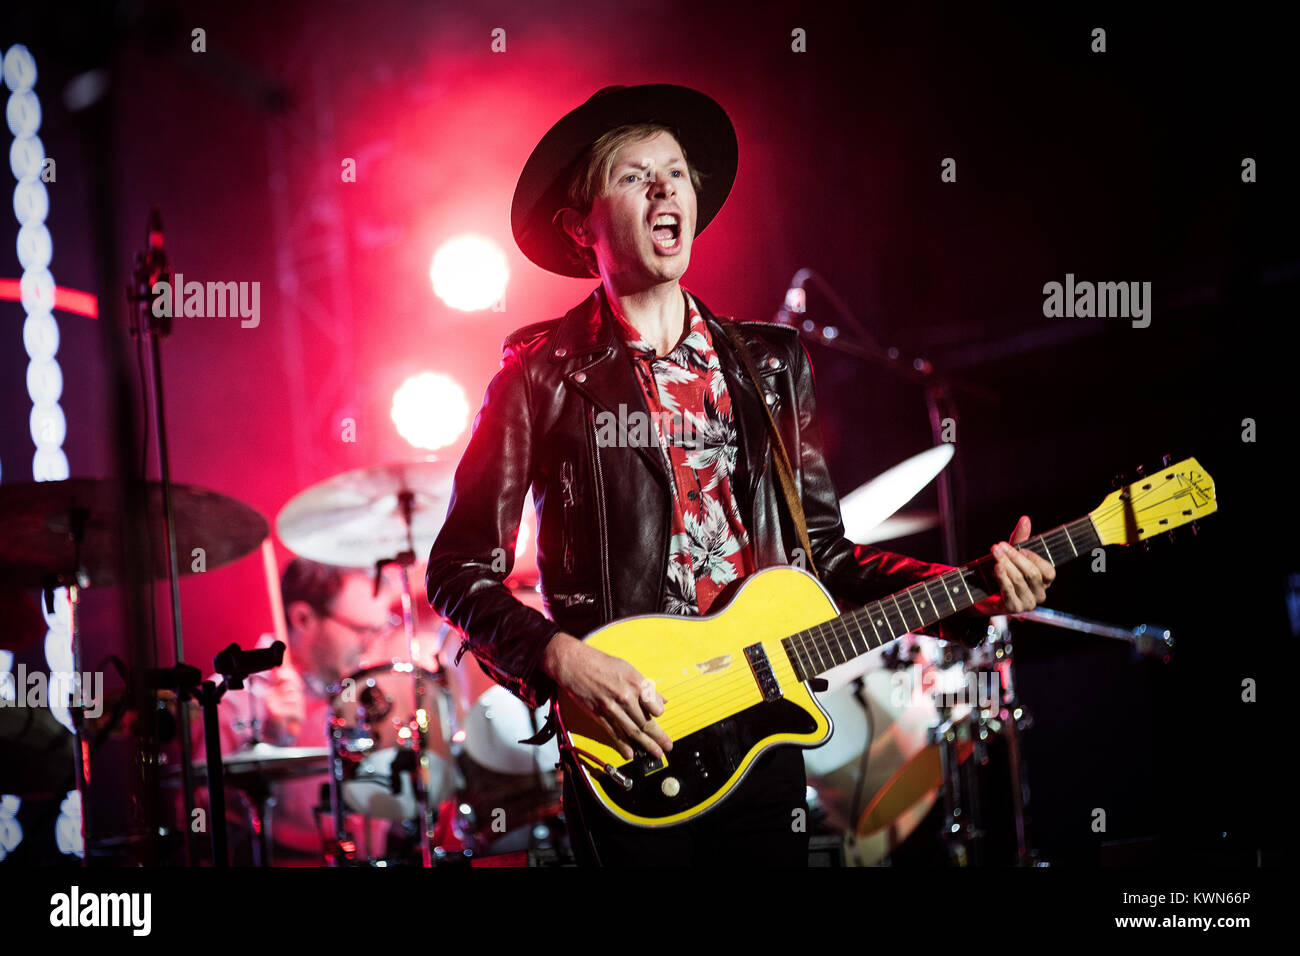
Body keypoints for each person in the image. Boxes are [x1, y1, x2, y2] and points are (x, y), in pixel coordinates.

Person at [425, 84, 1055, 866]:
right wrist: (558, 658)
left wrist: (968, 588)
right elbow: (457, 572)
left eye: (677, 173)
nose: (664, 189)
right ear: (578, 227)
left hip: (761, 730)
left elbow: (829, 563)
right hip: (633, 739)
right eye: (633, 175)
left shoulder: (770, 364)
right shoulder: (538, 378)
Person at [209, 557, 402, 862]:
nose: (372, 646)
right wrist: (264, 746)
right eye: (362, 630)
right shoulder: (231, 698)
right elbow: (201, 829)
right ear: (302, 618)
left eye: (382, 629)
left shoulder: (367, 690)